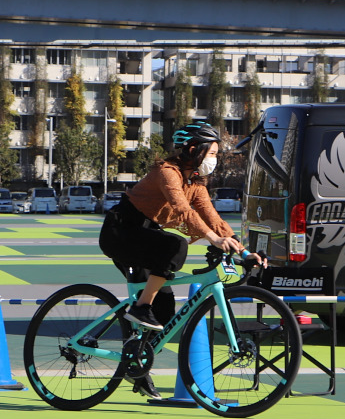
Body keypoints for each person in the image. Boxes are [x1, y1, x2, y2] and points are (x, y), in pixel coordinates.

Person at [99, 120, 260, 398]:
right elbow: (182, 211)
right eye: (212, 153)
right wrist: (212, 238)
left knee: (164, 311)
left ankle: (137, 365)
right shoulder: (167, 172)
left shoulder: (195, 183)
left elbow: (213, 218)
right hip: (122, 230)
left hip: (148, 236)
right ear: (194, 150)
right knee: (175, 246)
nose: (215, 159)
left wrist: (245, 252)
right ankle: (139, 308)